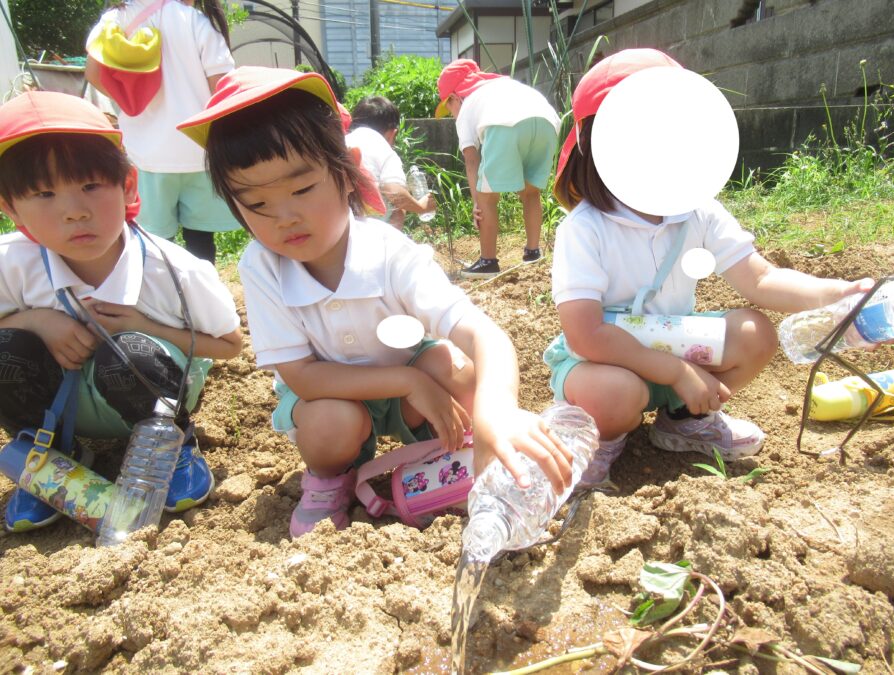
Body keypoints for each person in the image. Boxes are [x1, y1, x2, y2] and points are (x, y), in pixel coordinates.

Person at [176, 66, 572, 538]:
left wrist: (497, 410)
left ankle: (461, 446)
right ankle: (331, 479)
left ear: (348, 172)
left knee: (455, 368)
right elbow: (301, 375)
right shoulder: (262, 267)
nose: (284, 217)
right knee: (329, 423)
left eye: (302, 189)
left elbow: (482, 333)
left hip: (411, 390)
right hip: (332, 394)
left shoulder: (389, 252)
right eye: (257, 204)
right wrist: (405, 380)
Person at [544, 48, 874, 480]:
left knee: (754, 333)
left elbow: (761, 278)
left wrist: (837, 295)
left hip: (674, 344)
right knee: (615, 393)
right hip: (604, 361)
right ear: (597, 144)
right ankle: (597, 440)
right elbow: (585, 335)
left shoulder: (698, 213)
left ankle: (685, 420)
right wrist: (677, 370)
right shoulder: (584, 229)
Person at [0, 91, 242, 532]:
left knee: (130, 352)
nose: (74, 212)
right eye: (44, 193)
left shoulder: (175, 270)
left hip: (151, 395)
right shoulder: (11, 263)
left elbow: (230, 344)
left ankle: (172, 448)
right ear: (10, 207)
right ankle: (48, 457)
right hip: (61, 404)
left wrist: (142, 325)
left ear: (128, 185)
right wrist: (36, 320)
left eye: (90, 186)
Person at [85, 0, 241, 263]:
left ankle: (159, 288)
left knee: (153, 242)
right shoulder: (195, 21)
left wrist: (128, 101)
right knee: (201, 241)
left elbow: (93, 73)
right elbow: (221, 86)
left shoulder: (116, 18)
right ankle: (201, 288)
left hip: (146, 156)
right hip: (199, 149)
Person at [435, 59, 560, 279]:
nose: (451, 113)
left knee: (487, 196)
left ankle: (488, 262)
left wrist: (476, 201)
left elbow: (471, 160)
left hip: (504, 124)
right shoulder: (503, 86)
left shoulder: (467, 106)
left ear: (455, 97)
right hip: (547, 121)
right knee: (531, 192)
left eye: (448, 107)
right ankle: (533, 253)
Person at [345, 96, 436, 230]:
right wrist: (421, 207)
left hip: (337, 226)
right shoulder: (382, 147)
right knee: (399, 209)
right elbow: (394, 191)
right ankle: (387, 243)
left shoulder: (342, 141)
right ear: (393, 133)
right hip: (369, 229)